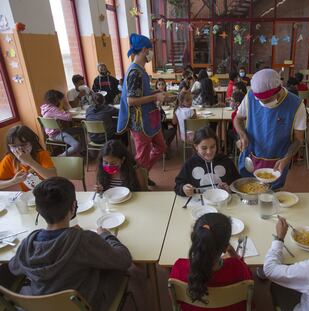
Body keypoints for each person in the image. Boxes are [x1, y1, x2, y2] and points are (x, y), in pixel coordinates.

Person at [8, 177, 132, 310]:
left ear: (38, 210)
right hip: (82, 305)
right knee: (115, 269)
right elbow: (124, 259)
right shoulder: (83, 240)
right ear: (73, 206)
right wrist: (106, 235)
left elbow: (14, 267)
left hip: (41, 306)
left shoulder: (29, 242)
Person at [233, 69, 306, 189]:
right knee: (247, 190)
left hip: (277, 163)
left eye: (266, 101)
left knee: (271, 196)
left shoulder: (296, 105)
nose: (262, 104)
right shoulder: (251, 96)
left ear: (278, 90)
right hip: (250, 157)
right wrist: (242, 135)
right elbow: (238, 118)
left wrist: (287, 158)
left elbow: (299, 139)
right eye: (260, 101)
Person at [170, 213, 252, 310]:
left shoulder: (179, 267)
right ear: (226, 247)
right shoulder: (237, 267)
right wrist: (234, 255)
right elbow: (249, 280)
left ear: (195, 240)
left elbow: (175, 299)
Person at [117, 34, 169, 186]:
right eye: (151, 50)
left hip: (150, 119)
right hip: (139, 123)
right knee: (142, 156)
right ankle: (139, 182)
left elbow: (141, 94)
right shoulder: (134, 72)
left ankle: (144, 173)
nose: (152, 53)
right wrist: (155, 97)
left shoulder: (141, 70)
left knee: (161, 147)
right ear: (145, 50)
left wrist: (157, 94)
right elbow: (131, 100)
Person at [175, 126, 240, 197]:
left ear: (216, 145)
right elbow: (178, 186)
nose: (209, 152)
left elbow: (237, 183)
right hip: (199, 204)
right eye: (204, 148)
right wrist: (183, 189)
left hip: (223, 202)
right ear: (196, 146)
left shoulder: (226, 161)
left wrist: (230, 189)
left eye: (212, 147)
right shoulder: (190, 164)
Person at [0, 125, 56, 191]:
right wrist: (13, 181)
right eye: (14, 146)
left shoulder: (42, 155)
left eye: (23, 145)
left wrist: (30, 161)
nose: (19, 149)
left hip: (46, 192)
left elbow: (53, 177)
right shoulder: (9, 159)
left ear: (32, 142)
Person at [40, 89, 82, 156]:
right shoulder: (53, 109)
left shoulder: (45, 107)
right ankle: (61, 157)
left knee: (81, 130)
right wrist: (66, 110)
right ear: (57, 100)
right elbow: (68, 118)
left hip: (52, 132)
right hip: (57, 134)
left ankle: (82, 150)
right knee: (76, 145)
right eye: (61, 99)